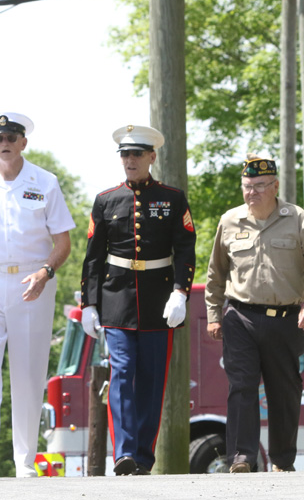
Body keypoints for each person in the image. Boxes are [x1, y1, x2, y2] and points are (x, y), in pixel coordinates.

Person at [0, 113, 75, 478]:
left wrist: (46, 271)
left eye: (12, 136)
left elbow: (63, 241)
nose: (5, 142)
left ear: (24, 142)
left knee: (27, 372)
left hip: (33, 280)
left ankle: (25, 460)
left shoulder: (45, 182)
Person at [80, 125, 195, 475]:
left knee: (151, 378)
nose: (130, 160)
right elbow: (94, 257)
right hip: (116, 298)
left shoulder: (173, 198)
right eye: (125, 154)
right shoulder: (106, 200)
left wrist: (180, 292)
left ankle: (143, 457)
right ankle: (124, 452)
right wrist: (89, 302)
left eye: (137, 154)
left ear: (151, 157)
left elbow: (185, 249)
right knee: (123, 371)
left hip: (159, 297)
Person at [204, 157, 304, 473]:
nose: (253, 192)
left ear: (275, 187)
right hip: (240, 317)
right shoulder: (229, 221)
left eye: (260, 186)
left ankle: (282, 460)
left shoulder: (297, 218)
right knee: (242, 386)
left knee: (285, 391)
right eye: (248, 186)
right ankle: (242, 458)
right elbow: (215, 273)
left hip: (286, 319)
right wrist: (213, 314)